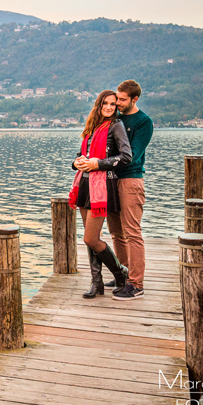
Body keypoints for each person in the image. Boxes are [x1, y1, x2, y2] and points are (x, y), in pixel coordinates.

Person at [69, 90, 132, 299]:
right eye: (105, 103)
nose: (108, 107)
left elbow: (125, 157)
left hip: (103, 186)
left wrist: (98, 163)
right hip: (84, 184)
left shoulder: (116, 126)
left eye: (113, 104)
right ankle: (97, 283)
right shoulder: (92, 127)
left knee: (91, 238)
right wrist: (76, 162)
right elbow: (83, 155)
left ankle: (120, 272)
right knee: (89, 240)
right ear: (99, 104)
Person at [107, 79, 154, 301]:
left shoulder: (144, 122)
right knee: (116, 231)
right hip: (110, 180)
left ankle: (137, 284)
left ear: (135, 99)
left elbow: (132, 155)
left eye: (123, 99)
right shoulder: (113, 117)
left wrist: (101, 163)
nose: (118, 102)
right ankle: (123, 274)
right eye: (117, 98)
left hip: (131, 180)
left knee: (132, 232)